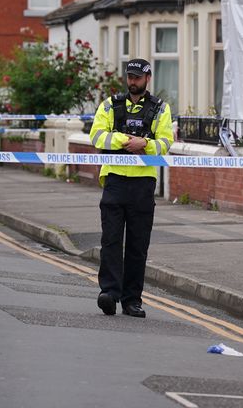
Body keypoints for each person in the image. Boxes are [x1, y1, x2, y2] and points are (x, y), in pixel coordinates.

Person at [89, 58, 173, 318]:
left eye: (138, 77)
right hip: (114, 179)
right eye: (130, 76)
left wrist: (144, 145)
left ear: (148, 78)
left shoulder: (160, 109)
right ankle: (109, 294)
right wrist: (125, 140)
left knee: (138, 245)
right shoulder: (109, 105)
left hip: (142, 185)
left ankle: (132, 300)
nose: (133, 81)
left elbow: (166, 142)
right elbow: (96, 136)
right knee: (111, 241)